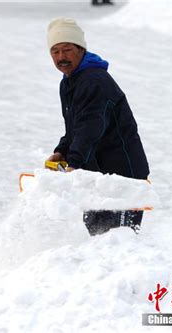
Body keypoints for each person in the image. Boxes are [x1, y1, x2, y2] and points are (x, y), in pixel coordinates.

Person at [46, 17, 150, 235]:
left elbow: (90, 128)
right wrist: (61, 150)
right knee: (100, 238)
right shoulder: (70, 82)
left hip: (122, 177)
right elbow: (75, 128)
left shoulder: (94, 81)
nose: (61, 57)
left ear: (81, 49)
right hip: (99, 175)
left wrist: (74, 161)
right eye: (55, 51)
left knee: (120, 242)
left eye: (67, 49)